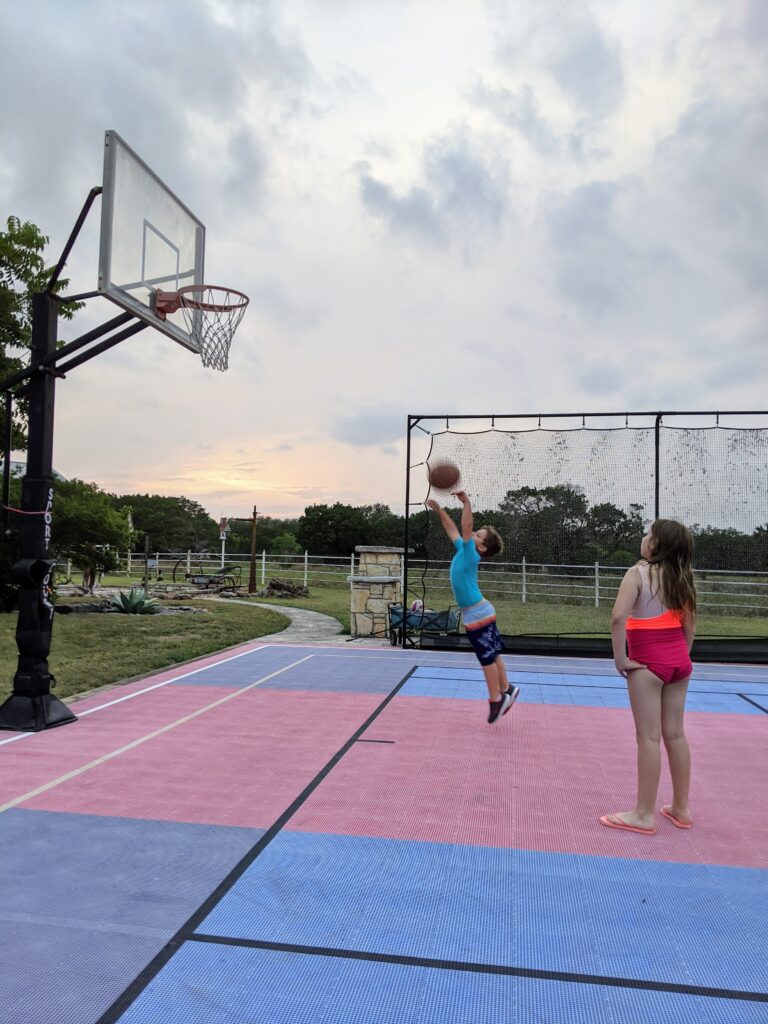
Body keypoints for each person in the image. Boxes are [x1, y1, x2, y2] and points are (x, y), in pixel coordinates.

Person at [600, 519, 697, 835]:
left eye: (647, 534)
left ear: (654, 545)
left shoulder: (637, 573)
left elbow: (617, 618)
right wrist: (680, 657)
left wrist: (621, 659)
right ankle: (680, 808)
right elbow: (690, 626)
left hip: (647, 663)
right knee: (676, 734)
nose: (643, 538)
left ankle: (643, 813)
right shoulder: (683, 578)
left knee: (649, 737)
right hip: (679, 663)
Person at [427, 491, 519, 724]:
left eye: (478, 535)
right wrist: (439, 510)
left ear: (482, 548)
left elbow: (465, 525)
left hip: (478, 614)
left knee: (486, 658)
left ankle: (495, 700)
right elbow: (453, 530)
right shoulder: (463, 549)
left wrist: (467, 503)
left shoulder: (471, 553)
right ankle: (507, 689)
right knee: (493, 654)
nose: (473, 534)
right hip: (479, 612)